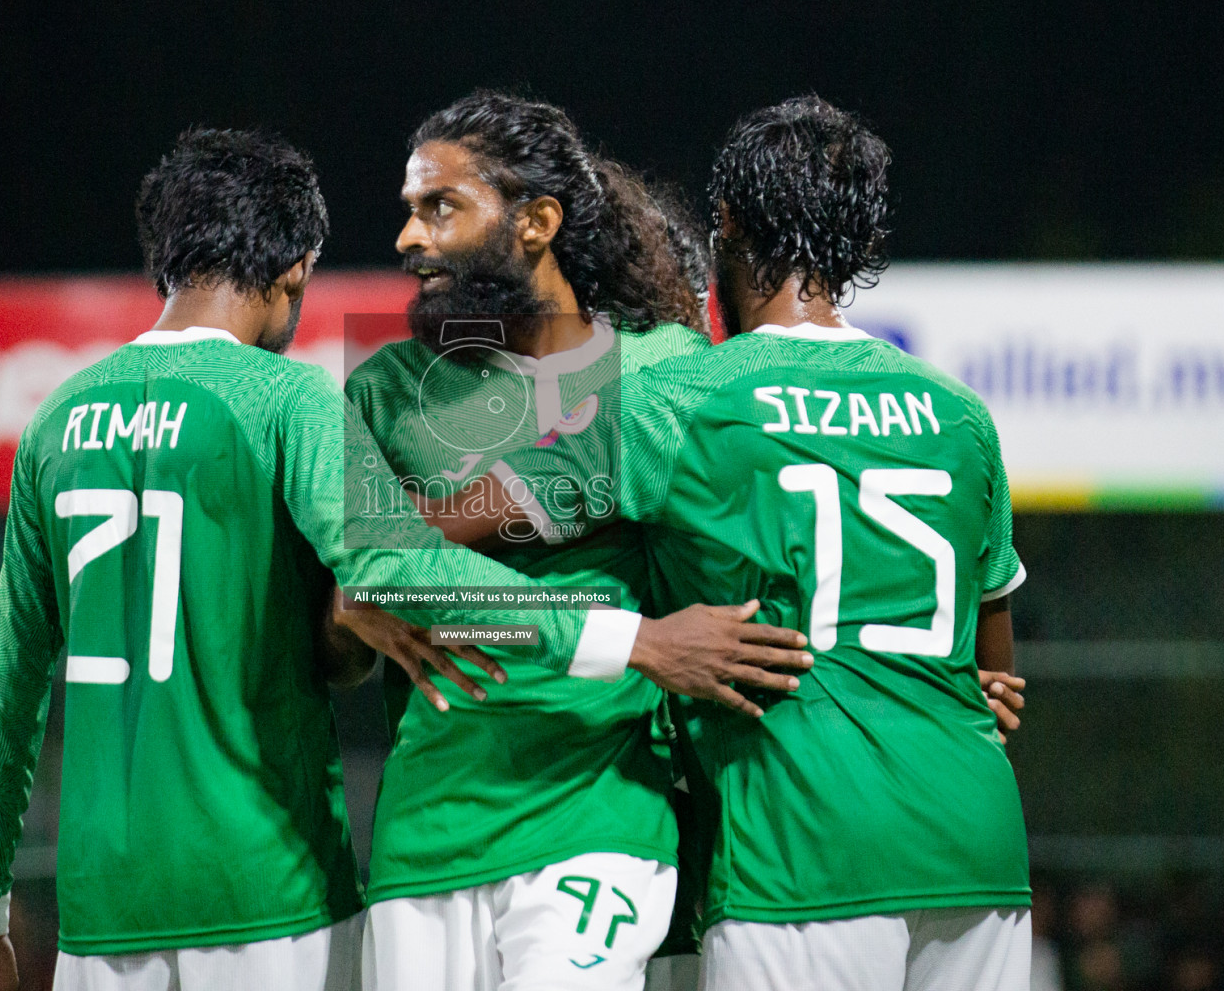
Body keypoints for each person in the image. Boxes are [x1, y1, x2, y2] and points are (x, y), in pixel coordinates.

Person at [0, 127, 794, 991]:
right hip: (279, 881)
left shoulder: (53, 423)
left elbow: (8, 682)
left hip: (102, 899)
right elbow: (378, 583)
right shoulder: (304, 397)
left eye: (436, 207)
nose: (409, 238)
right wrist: (630, 639)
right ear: (297, 264)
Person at [427, 96, 1034, 990]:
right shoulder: (959, 414)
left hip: (803, 853)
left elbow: (433, 532)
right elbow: (995, 674)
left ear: (729, 230)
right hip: (978, 846)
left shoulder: (687, 399)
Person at [328, 92, 807, 991]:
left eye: (440, 206)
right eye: (408, 210)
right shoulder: (386, 388)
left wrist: (933, 661)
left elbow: (763, 549)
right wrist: (351, 605)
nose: (408, 238)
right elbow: (342, 615)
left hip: (600, 812)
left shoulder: (665, 366)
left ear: (537, 221)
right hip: (427, 824)